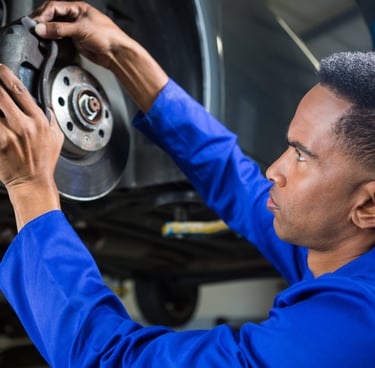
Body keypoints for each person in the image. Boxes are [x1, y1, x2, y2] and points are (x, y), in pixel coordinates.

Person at [0, 1, 374, 366]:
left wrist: (30, 188)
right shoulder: (343, 248)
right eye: (287, 146)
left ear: (368, 207)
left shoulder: (349, 331)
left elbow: (112, 360)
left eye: (302, 155)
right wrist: (121, 53)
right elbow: (235, 179)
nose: (273, 171)